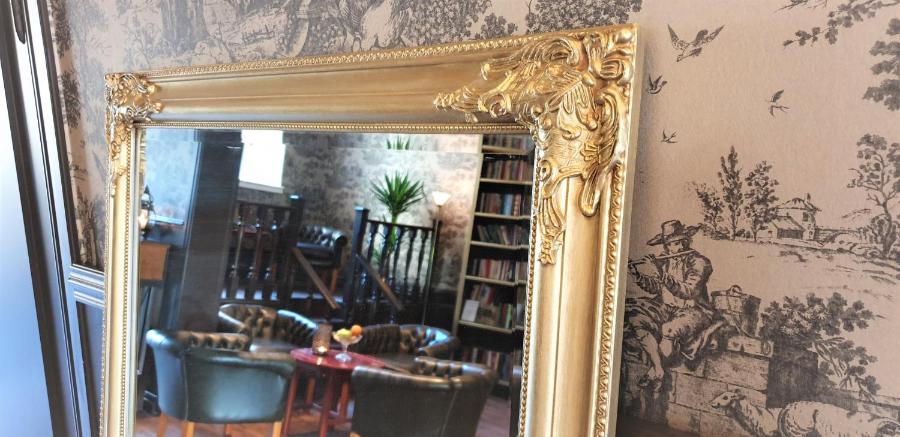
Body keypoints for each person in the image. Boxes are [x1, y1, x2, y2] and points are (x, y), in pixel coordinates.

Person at [627, 219, 718, 392]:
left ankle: (653, 372)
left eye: (680, 242)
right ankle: (658, 368)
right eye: (671, 244)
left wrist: (662, 274)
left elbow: (689, 291)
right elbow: (656, 287)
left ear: (686, 241)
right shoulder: (665, 260)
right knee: (636, 319)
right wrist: (637, 275)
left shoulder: (700, 263)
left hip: (694, 310)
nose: (677, 247)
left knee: (668, 329)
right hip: (666, 307)